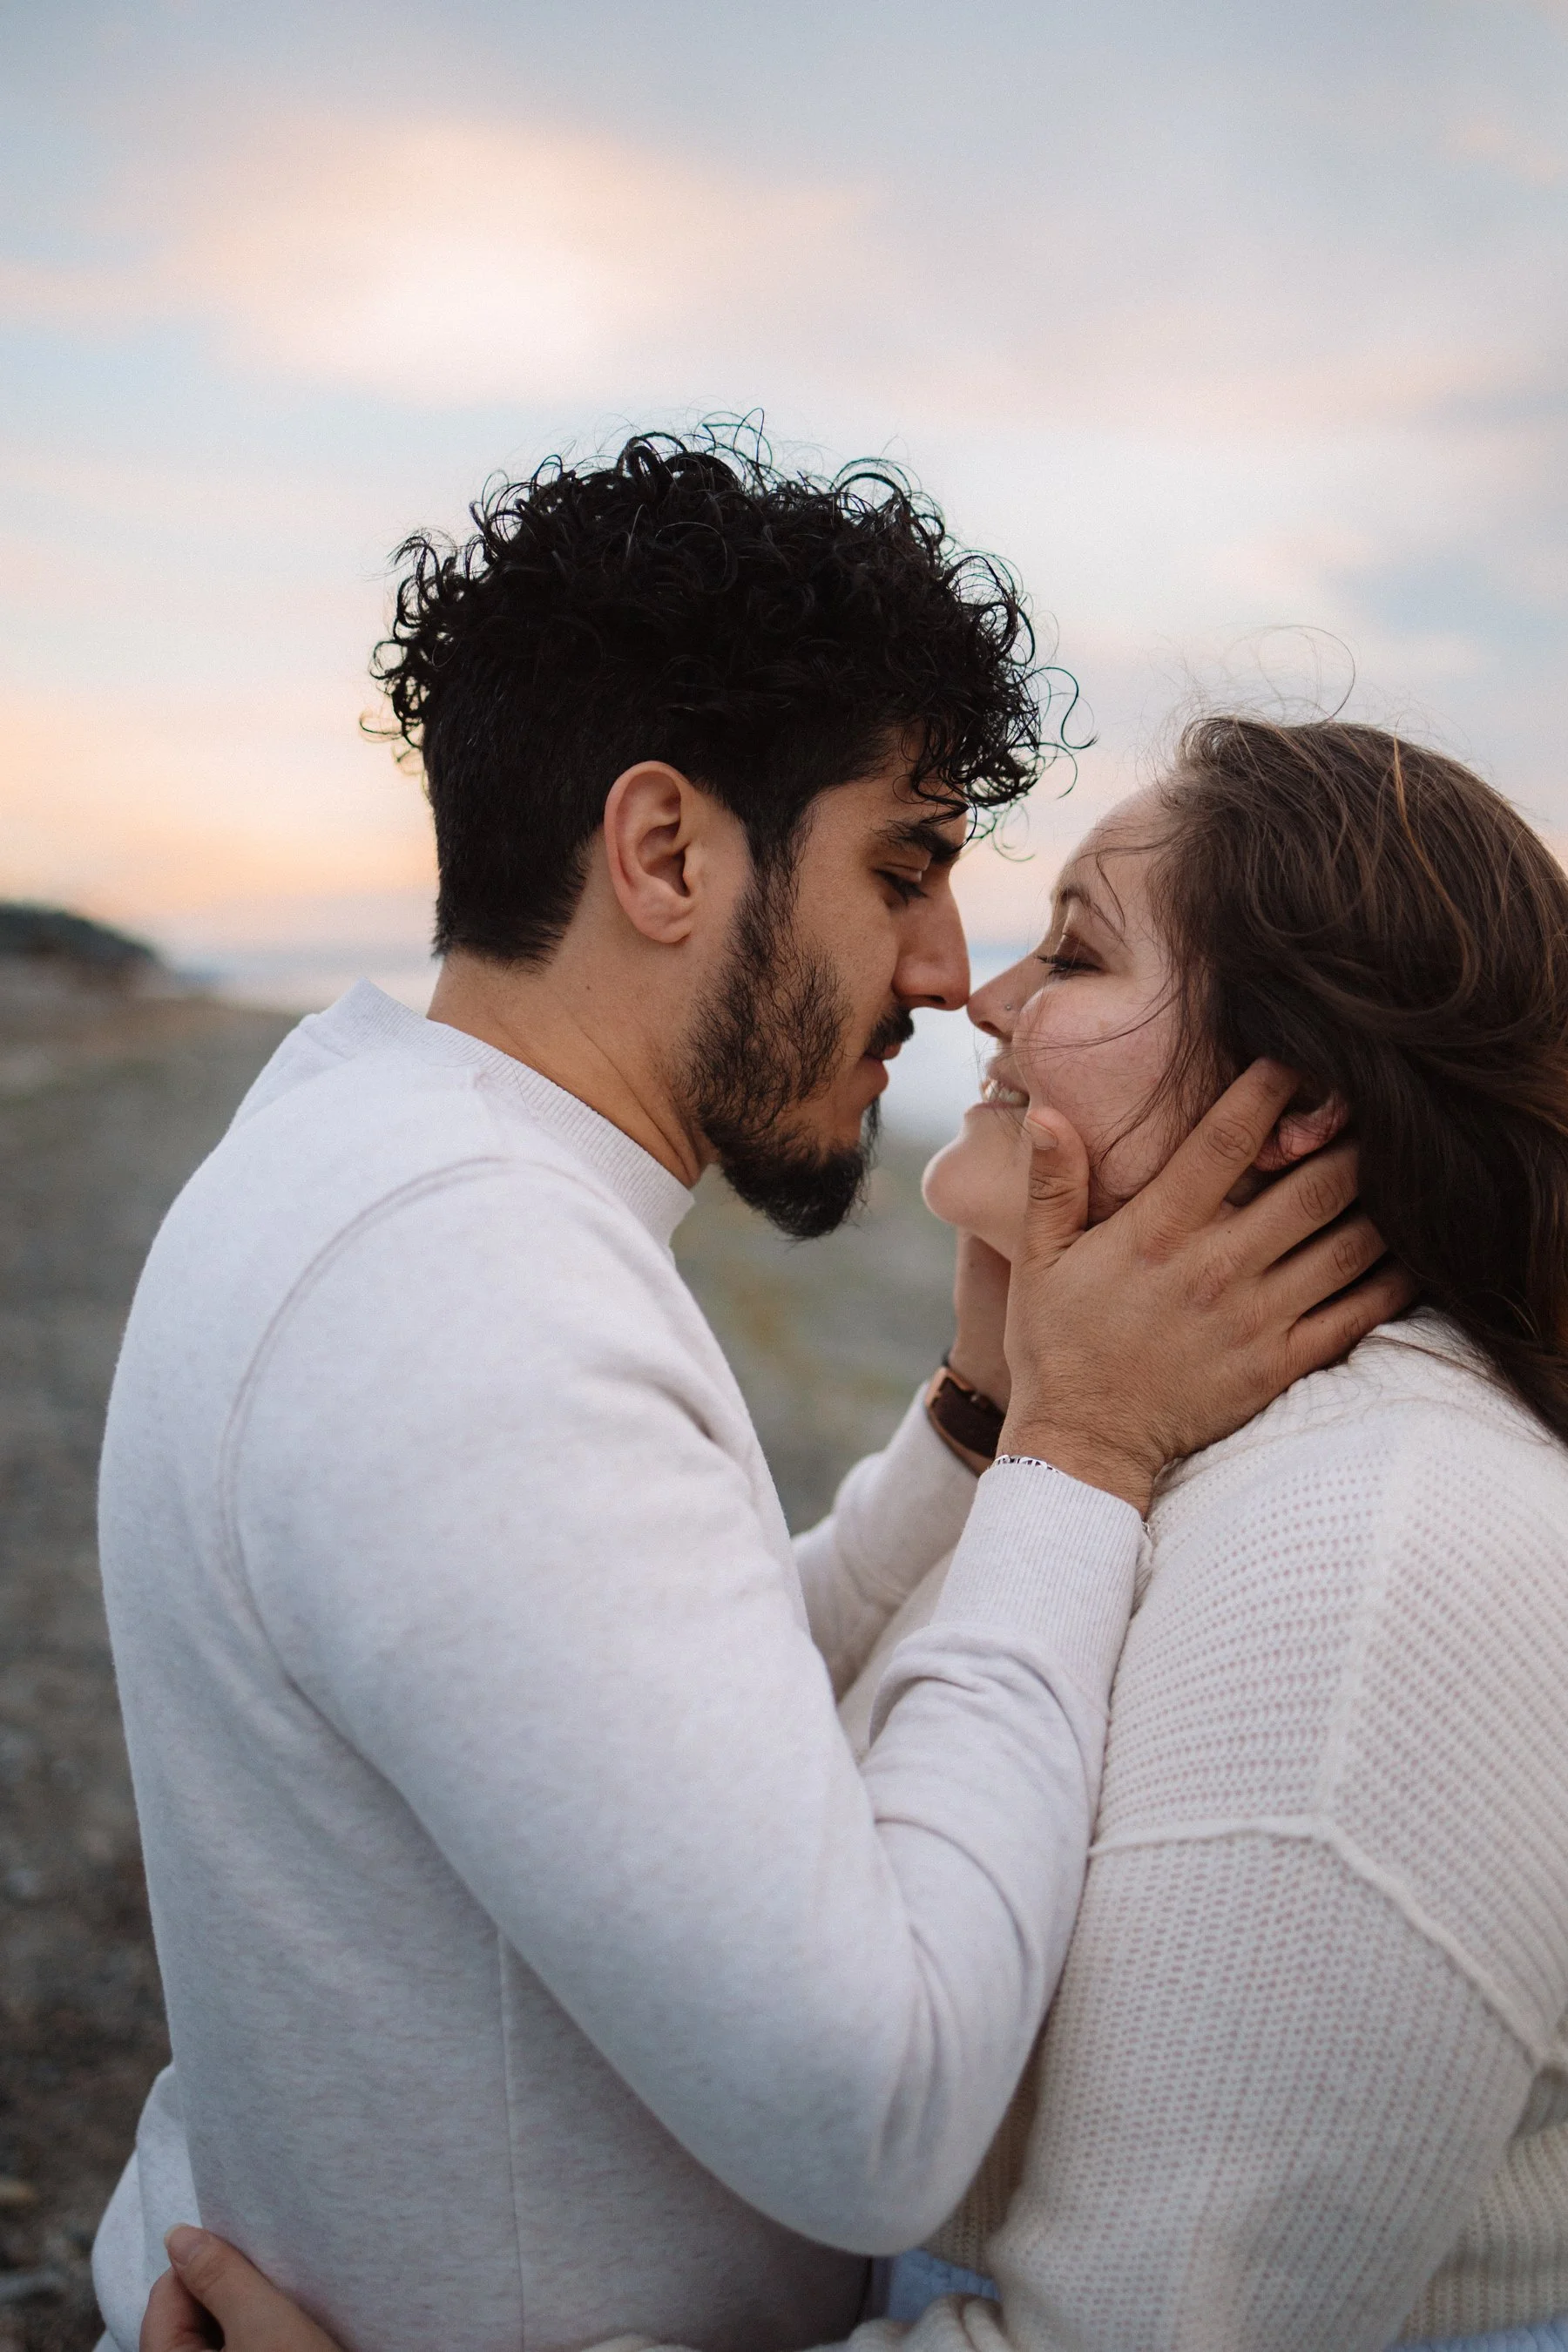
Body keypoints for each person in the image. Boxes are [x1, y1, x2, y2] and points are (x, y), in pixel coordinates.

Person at [95, 433, 1395, 2352]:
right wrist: (1084, 1452)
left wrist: (971, 1424)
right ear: (668, 851)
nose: (955, 977)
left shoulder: (368, 1156)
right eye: (909, 866)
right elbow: (879, 2110)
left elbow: (636, 1729)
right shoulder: (469, 1282)